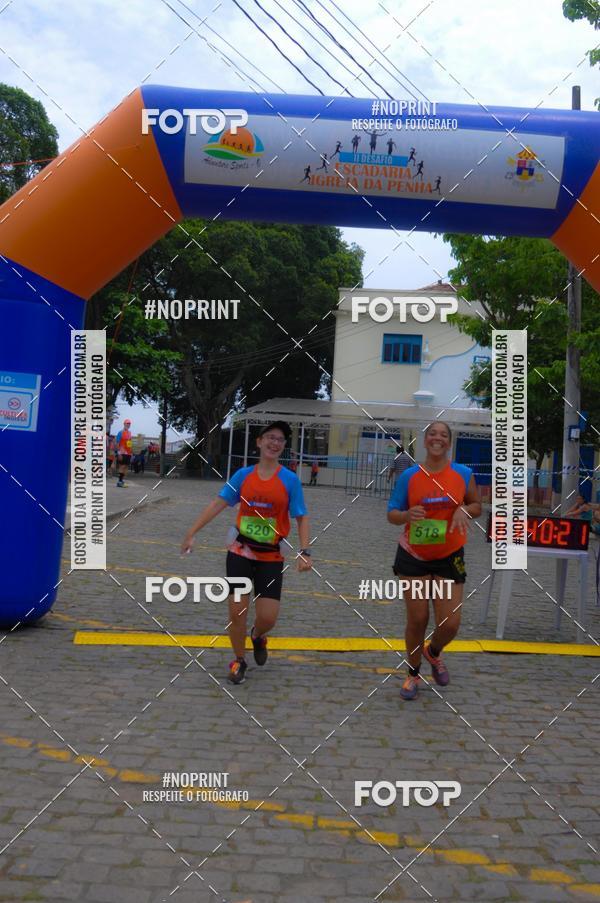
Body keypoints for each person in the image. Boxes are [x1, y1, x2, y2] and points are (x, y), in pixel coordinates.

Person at [181, 421, 312, 685]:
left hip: (271, 557)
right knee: (237, 611)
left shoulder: (289, 480)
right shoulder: (243, 476)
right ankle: (239, 660)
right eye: (270, 438)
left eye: (280, 440)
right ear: (259, 442)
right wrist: (191, 531)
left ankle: (258, 635)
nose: (275, 443)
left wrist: (305, 551)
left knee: (267, 617)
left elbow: (300, 516)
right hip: (240, 552)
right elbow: (218, 503)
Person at [387, 421, 481, 700]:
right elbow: (392, 513)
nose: (437, 438)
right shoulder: (411, 476)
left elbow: (477, 505)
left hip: (449, 556)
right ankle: (413, 674)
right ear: (425, 441)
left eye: (443, 435)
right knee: (417, 619)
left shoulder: (463, 474)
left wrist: (465, 510)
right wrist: (406, 516)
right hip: (414, 555)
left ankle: (433, 652)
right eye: (432, 434)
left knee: (450, 623)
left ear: (449, 442)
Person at [115, 419, 133, 487]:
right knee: (122, 466)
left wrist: (131, 452)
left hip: (128, 453)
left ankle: (121, 480)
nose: (128, 425)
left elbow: (129, 443)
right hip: (122, 452)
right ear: (124, 424)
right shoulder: (120, 432)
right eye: (127, 423)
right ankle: (119, 482)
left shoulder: (129, 433)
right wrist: (118, 453)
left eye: (129, 424)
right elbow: (117, 443)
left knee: (126, 467)